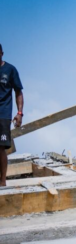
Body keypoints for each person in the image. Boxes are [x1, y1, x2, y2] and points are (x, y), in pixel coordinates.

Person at [0, 43, 24, 187]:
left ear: (2, 53)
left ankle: (2, 181)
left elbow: (18, 92)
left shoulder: (10, 70)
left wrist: (19, 113)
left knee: (1, 147)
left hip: (3, 114)